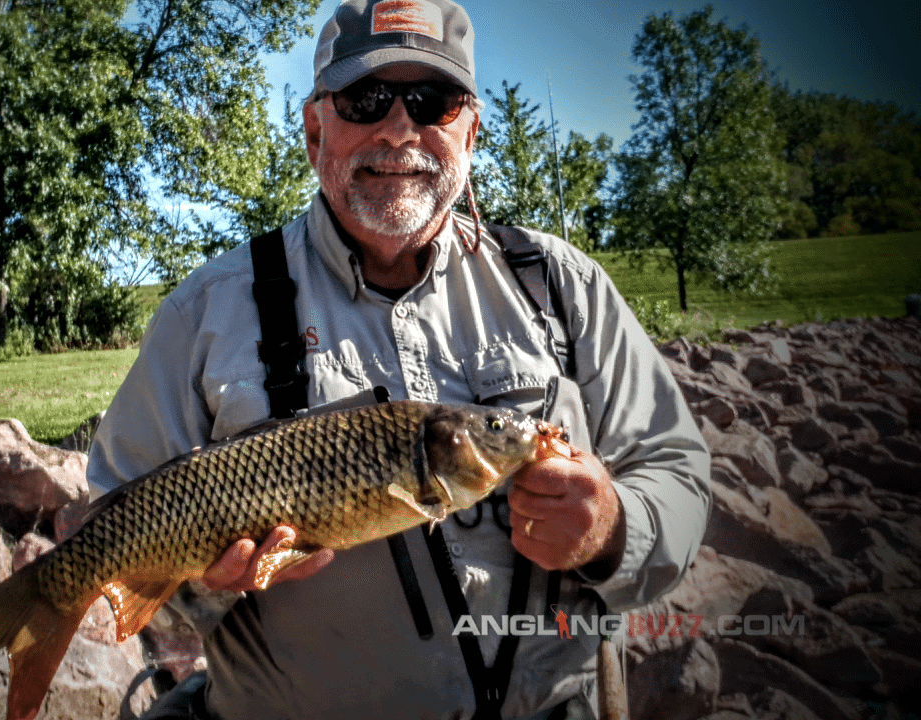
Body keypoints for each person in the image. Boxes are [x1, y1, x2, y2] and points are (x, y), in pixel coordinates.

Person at [87, 0, 711, 717]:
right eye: (365, 99)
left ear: (470, 130)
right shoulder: (203, 313)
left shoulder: (564, 286)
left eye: (432, 101)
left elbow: (678, 474)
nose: (398, 129)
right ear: (315, 127)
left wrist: (613, 530)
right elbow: (114, 550)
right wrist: (202, 582)